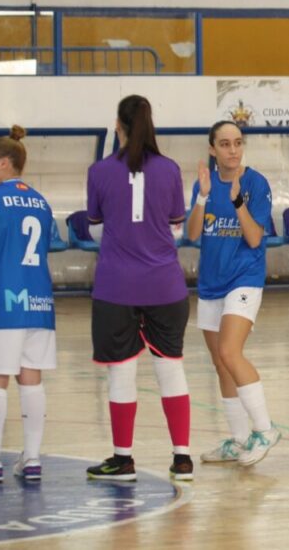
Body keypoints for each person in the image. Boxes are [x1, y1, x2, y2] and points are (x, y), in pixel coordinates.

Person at [85, 94, 194, 481]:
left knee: (121, 373)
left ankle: (123, 459)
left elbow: (96, 226)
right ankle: (182, 458)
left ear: (119, 125)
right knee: (172, 370)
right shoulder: (170, 169)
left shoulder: (99, 171)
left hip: (116, 286)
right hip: (165, 285)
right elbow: (175, 227)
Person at [187, 122, 281, 466]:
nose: (232, 150)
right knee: (220, 364)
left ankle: (265, 428)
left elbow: (255, 238)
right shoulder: (205, 182)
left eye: (238, 143)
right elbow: (193, 234)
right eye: (225, 144)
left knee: (230, 351)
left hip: (244, 278)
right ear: (213, 149)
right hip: (212, 281)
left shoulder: (255, 183)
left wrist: (238, 201)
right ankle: (240, 440)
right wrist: (201, 196)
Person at [0, 127, 59, 483]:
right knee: (31, 378)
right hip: (39, 300)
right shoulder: (41, 200)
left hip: (3, 299)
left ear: (4, 162)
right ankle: (32, 459)